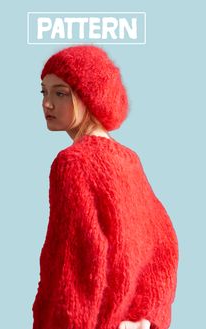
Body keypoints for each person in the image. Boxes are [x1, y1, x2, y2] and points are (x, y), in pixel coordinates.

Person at [32, 45, 179, 329]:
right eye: (44, 91)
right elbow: (166, 246)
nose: (46, 103)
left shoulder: (72, 163)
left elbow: (75, 270)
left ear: (89, 95)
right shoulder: (129, 160)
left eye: (60, 93)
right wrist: (143, 319)